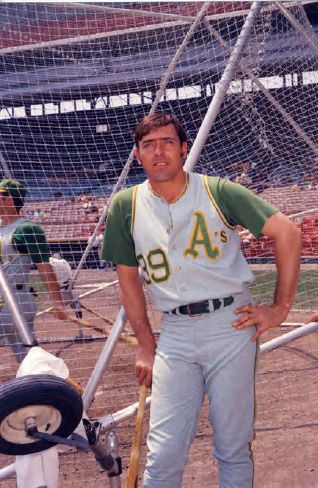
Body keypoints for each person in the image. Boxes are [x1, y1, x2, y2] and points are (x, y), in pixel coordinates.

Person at [102, 113, 301, 488]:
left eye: (166, 142)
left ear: (183, 148)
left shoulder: (218, 190)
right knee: (163, 452)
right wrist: (146, 345)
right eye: (148, 145)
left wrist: (280, 308)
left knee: (232, 446)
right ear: (137, 154)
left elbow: (287, 233)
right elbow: (127, 280)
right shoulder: (125, 206)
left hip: (229, 325)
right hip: (174, 333)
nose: (158, 151)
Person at [0, 179, 68, 363]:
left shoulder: (26, 229)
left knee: (27, 354)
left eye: (1, 196)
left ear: (11, 200)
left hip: (15, 299)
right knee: (26, 358)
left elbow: (44, 267)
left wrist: (58, 302)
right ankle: (44, 385)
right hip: (5, 302)